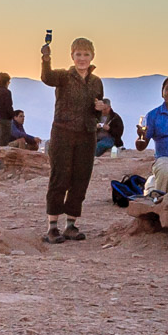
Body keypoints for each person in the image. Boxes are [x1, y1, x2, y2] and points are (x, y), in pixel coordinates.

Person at [40, 36, 103, 243]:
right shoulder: (63, 77)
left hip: (87, 135)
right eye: (78, 54)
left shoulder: (96, 82)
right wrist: (46, 58)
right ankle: (52, 227)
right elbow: (46, 77)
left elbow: (97, 112)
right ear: (72, 56)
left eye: (86, 54)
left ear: (92, 56)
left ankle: (71, 225)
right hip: (63, 132)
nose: (82, 58)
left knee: (80, 179)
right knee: (60, 178)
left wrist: (99, 110)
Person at [0, 72, 16, 148]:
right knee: (4, 144)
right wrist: (12, 116)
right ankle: (1, 160)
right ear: (7, 82)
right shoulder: (7, 92)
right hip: (5, 121)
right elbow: (9, 106)